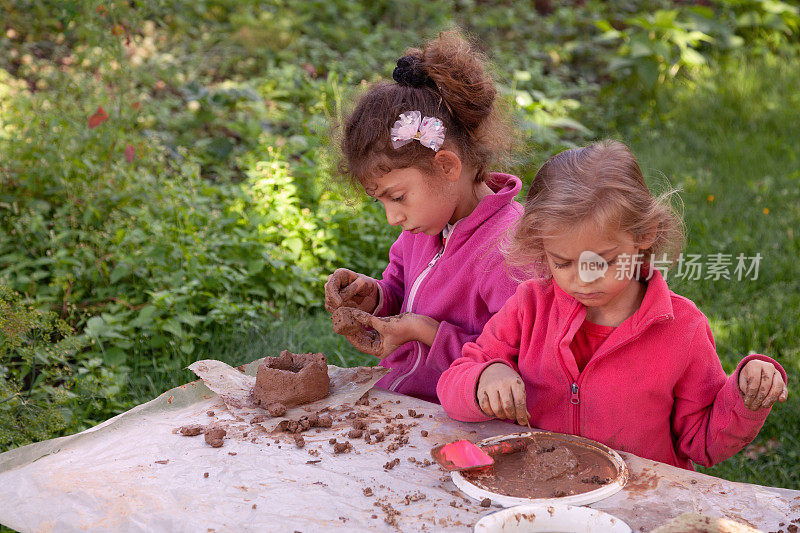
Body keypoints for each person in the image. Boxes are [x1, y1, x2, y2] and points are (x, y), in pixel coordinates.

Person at [437, 140, 788, 469]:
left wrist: (745, 394)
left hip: (640, 499)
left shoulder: (682, 327)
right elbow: (452, 384)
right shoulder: (530, 306)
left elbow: (703, 443)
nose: (581, 281)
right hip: (539, 488)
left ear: (643, 235)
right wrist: (484, 375)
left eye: (601, 262)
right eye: (562, 263)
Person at [324, 31, 523, 404]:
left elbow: (518, 360)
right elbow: (400, 291)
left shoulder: (507, 250)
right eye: (381, 201)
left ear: (446, 165)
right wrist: (374, 296)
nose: (391, 217)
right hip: (401, 404)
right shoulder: (425, 225)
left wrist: (427, 332)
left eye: (397, 197)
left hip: (459, 422)